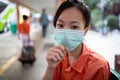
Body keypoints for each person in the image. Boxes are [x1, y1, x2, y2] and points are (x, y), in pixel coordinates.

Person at [42, 0, 110, 80]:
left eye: (74, 27)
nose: (66, 33)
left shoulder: (99, 66)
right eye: (60, 25)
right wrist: (50, 67)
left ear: (85, 30)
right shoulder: (57, 57)